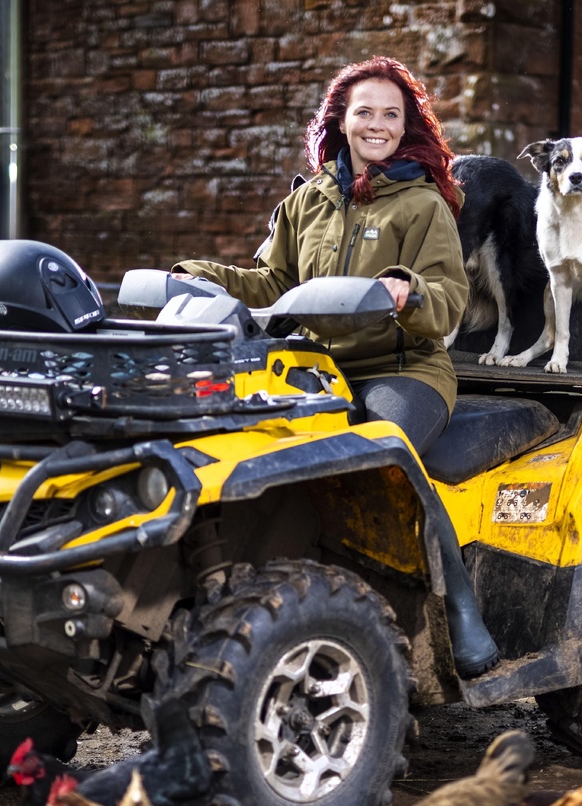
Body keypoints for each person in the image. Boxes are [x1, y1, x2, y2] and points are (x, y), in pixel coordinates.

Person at [172, 55, 498, 678]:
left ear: (407, 128)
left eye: (391, 115)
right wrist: (197, 274)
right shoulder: (306, 200)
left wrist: (408, 290)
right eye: (365, 112)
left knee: (384, 449)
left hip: (403, 370)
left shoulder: (424, 205)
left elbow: (449, 300)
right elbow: (271, 281)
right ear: (341, 121)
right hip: (316, 369)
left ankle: (460, 609)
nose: (377, 125)